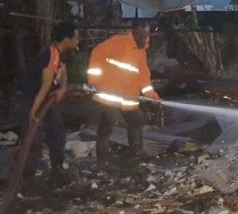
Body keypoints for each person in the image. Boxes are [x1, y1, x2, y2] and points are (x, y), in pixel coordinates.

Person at [15, 21, 80, 184]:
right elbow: (44, 87)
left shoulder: (61, 53)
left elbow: (63, 73)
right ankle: (27, 179)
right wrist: (33, 111)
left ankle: (57, 169)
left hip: (47, 101)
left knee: (57, 133)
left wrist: (62, 88)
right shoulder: (50, 55)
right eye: (76, 37)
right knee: (33, 140)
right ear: (67, 38)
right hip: (31, 100)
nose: (78, 41)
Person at [87, 21, 160, 165]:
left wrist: (152, 96)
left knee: (136, 122)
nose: (148, 39)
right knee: (106, 129)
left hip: (128, 98)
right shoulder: (118, 42)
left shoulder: (141, 52)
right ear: (137, 32)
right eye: (146, 35)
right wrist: (94, 80)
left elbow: (144, 78)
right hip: (109, 96)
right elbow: (97, 53)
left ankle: (136, 154)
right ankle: (102, 162)